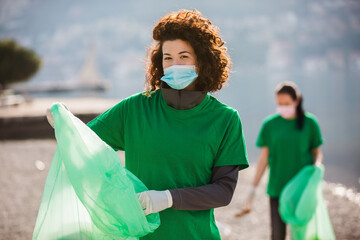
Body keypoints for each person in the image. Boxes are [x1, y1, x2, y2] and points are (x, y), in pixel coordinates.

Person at [48, 10, 249, 239]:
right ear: (159, 61)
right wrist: (64, 122)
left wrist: (168, 198)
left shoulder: (225, 119)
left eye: (184, 56)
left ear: (203, 61)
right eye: (167, 57)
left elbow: (223, 191)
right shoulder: (134, 109)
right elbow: (84, 143)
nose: (174, 64)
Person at [235, 81, 323, 240]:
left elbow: (317, 152)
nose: (283, 107)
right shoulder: (270, 124)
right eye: (279, 104)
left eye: (287, 103)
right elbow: (263, 159)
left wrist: (316, 169)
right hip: (277, 188)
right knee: (277, 235)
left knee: (304, 234)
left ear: (296, 101)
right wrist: (253, 189)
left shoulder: (310, 123)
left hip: (302, 189)